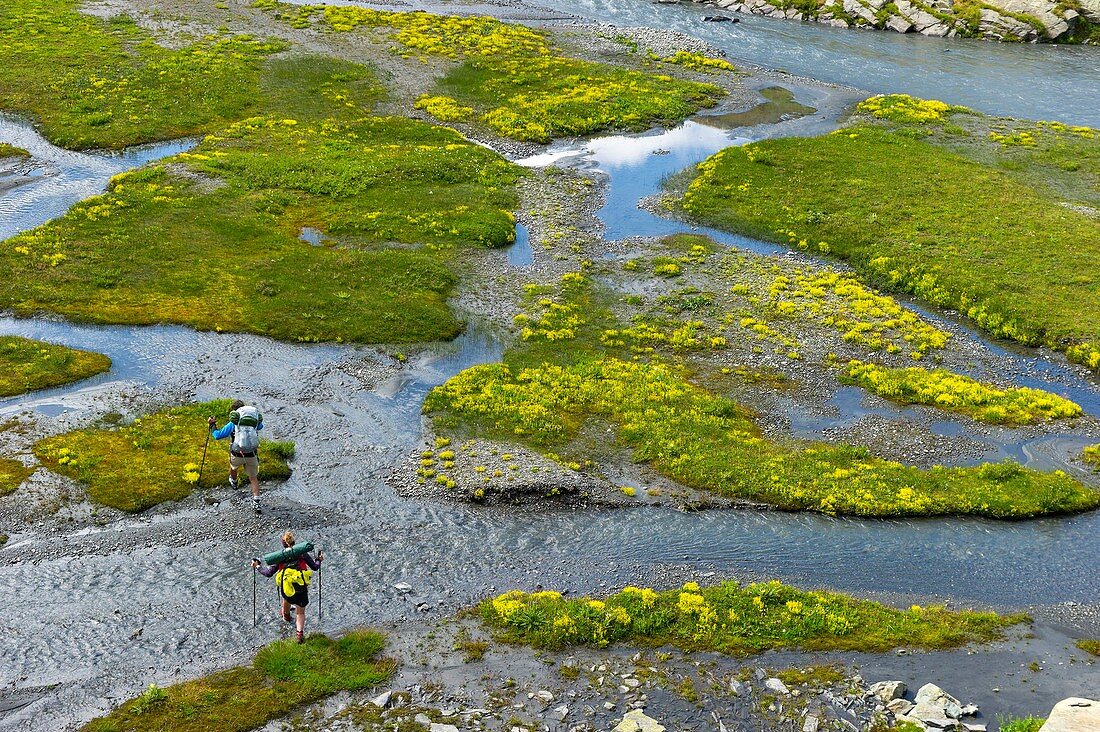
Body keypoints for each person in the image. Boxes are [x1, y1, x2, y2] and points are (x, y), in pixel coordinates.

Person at [252, 531, 324, 643]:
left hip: (287, 589)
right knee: (300, 613)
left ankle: (286, 618)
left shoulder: (280, 558)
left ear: (283, 545)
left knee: (286, 598)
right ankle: (299, 634)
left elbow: (268, 573)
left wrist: (257, 566)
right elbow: (315, 567)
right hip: (301, 588)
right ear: (294, 543)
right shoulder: (302, 554)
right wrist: (319, 559)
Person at [208, 399, 264, 512]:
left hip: (237, 453)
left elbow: (217, 436)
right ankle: (256, 501)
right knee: (253, 478)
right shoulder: (253, 421)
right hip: (251, 453)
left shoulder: (233, 423)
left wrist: (213, 425)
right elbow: (260, 427)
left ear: (234, 411)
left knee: (233, 467)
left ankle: (233, 481)